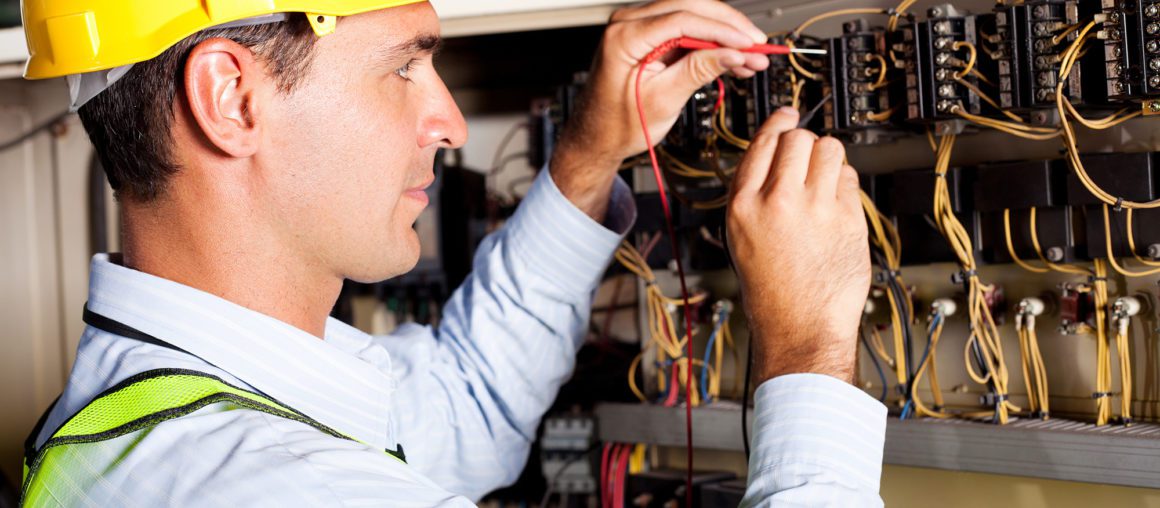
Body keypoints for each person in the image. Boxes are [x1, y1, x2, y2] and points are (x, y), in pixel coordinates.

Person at [19, 0, 883, 506]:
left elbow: (466, 405)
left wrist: (585, 158)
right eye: (402, 69)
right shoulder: (269, 487)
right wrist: (807, 347)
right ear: (231, 99)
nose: (451, 124)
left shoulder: (170, 410)